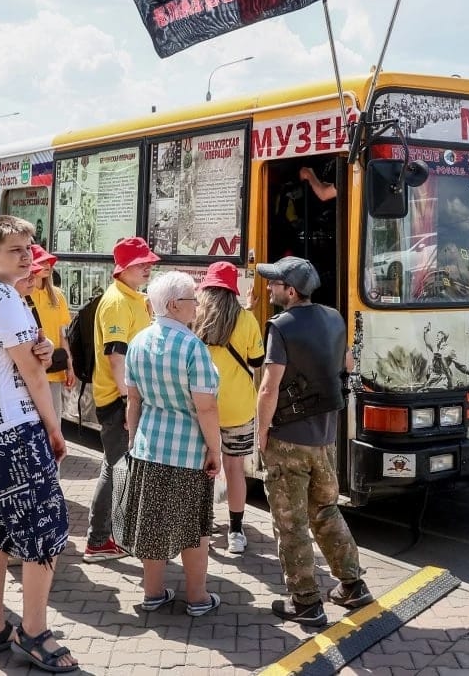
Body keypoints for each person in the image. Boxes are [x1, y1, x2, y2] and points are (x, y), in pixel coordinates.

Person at [0, 215, 75, 670]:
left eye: (29, 248)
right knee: (42, 530)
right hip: (13, 427)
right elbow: (30, 373)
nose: (27, 257)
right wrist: (54, 427)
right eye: (15, 250)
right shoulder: (4, 296)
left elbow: (22, 356)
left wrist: (41, 349)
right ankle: (34, 631)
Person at [255, 256, 372, 628]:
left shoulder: (281, 327)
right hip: (324, 436)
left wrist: (261, 432)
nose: (270, 288)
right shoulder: (335, 317)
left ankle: (305, 601)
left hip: (288, 438)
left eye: (274, 284)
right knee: (326, 509)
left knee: (290, 523)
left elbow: (269, 386)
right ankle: (352, 585)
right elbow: (349, 364)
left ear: (291, 291)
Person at [119, 272, 222, 616]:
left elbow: (133, 401)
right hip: (188, 451)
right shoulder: (193, 347)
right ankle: (197, 598)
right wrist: (215, 450)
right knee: (194, 528)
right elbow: (206, 406)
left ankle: (152, 593)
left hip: (149, 446)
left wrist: (133, 438)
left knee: (152, 523)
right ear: (175, 305)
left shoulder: (138, 342)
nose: (197, 306)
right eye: (193, 300)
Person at [85, 236, 160, 563]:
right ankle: (98, 540)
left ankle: (109, 534)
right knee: (116, 466)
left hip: (127, 397)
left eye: (148, 263)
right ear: (124, 268)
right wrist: (129, 398)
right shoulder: (117, 302)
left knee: (116, 465)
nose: (148, 268)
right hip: (119, 400)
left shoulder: (134, 298)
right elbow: (116, 356)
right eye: (141, 264)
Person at [193, 261, 264, 556]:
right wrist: (246, 313)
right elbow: (257, 361)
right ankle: (235, 532)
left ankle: (202, 529)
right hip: (239, 409)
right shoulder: (247, 320)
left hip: (202, 407)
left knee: (201, 469)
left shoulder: (195, 317)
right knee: (235, 469)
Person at [28, 244, 73, 425]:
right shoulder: (23, 294)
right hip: (32, 369)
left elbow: (64, 335)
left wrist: (70, 365)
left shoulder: (58, 296)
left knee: (54, 424)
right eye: (41, 261)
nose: (47, 265)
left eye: (49, 262)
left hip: (54, 369)